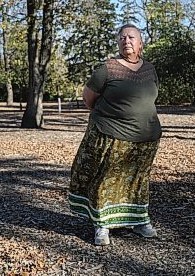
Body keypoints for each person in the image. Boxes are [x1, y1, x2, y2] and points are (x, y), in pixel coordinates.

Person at [68, 23, 162, 246]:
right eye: (122, 38)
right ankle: (102, 225)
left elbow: (151, 97)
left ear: (140, 43)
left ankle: (139, 221)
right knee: (107, 179)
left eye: (131, 37)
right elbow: (88, 98)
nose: (126, 40)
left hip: (146, 137)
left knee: (138, 181)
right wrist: (109, 117)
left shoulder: (150, 69)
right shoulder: (107, 68)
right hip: (112, 134)